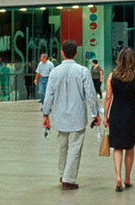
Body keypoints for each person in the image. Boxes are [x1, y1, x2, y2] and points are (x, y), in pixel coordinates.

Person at [42, 40, 101, 190]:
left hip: (60, 116)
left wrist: (45, 114)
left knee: (62, 146)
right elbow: (90, 94)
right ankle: (69, 179)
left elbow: (49, 95)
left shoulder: (55, 71)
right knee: (75, 147)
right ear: (76, 53)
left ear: (62, 53)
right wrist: (95, 113)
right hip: (77, 116)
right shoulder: (82, 71)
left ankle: (63, 174)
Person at [104, 47, 135, 192]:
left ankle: (118, 176)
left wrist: (105, 116)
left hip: (116, 112)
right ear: (132, 60)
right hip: (131, 113)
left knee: (117, 147)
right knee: (129, 147)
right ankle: (127, 178)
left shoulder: (112, 76)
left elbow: (107, 98)